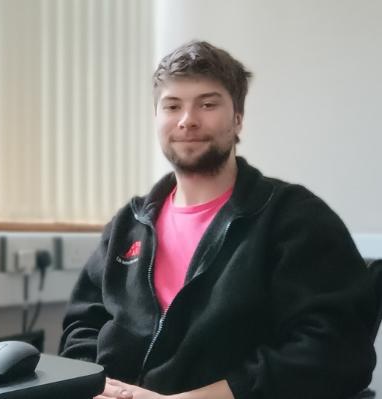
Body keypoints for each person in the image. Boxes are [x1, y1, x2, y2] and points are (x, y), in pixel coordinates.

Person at [58, 40, 377, 399]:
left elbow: (335, 349)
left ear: (238, 118)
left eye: (207, 104)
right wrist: (95, 386)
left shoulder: (294, 218)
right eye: (172, 106)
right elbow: (82, 326)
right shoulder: (129, 224)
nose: (187, 120)